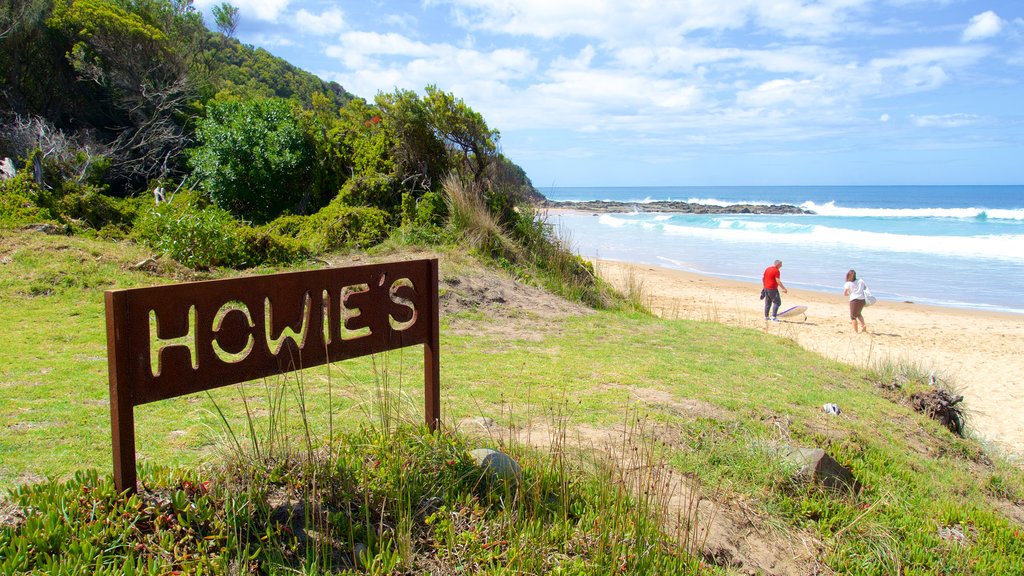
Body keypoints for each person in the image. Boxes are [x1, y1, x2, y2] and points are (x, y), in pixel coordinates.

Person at [843, 269, 868, 333]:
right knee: (859, 314)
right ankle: (863, 325)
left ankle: (856, 332)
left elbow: (845, 293)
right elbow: (865, 288)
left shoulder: (848, 283)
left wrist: (851, 293)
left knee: (853, 317)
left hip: (854, 300)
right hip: (862, 299)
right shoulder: (861, 281)